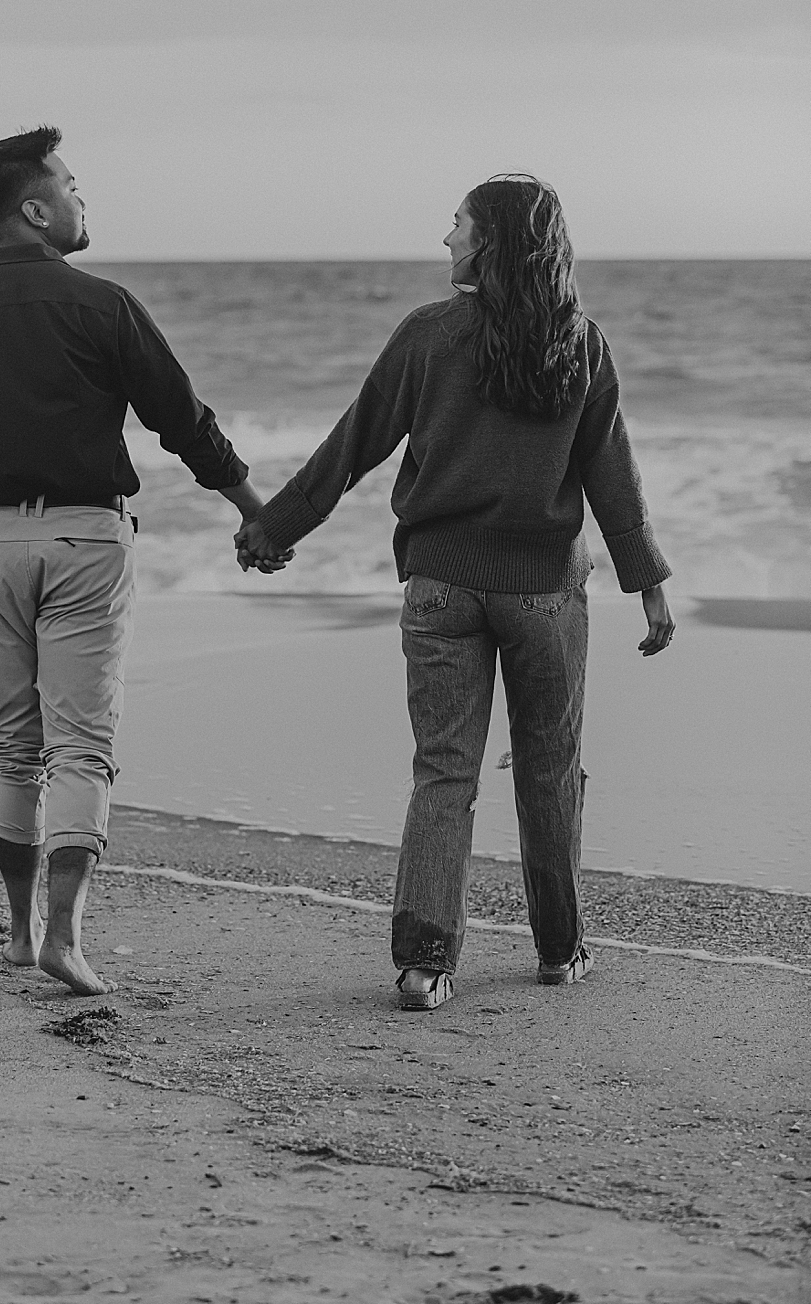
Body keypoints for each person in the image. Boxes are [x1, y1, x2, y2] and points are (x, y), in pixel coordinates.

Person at [240, 174, 674, 1012]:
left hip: (441, 584)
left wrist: (276, 527)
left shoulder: (430, 334)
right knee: (549, 769)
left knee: (444, 770)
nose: (446, 240)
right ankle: (557, 951)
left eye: (457, 225)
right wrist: (647, 579)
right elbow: (611, 471)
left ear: (492, 242)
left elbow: (355, 441)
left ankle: (425, 963)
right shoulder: (579, 340)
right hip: (545, 591)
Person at [0, 126, 282, 997]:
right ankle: (64, 937)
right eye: (71, 185)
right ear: (34, 209)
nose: (81, 198)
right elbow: (186, 422)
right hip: (85, 540)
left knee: (10, 744)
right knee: (82, 747)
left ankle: (21, 934)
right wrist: (255, 512)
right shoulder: (103, 306)